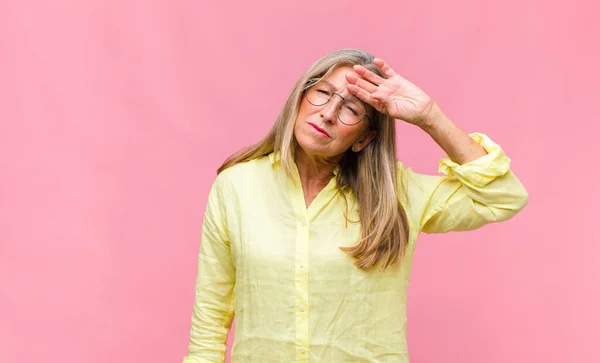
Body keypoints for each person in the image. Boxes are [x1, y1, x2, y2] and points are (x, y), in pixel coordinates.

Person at [182, 48, 528, 362]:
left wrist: (430, 117)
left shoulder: (397, 193)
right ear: (300, 97)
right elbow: (210, 319)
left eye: (351, 109)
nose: (329, 113)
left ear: (364, 138)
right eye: (322, 93)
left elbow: (503, 196)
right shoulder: (237, 186)